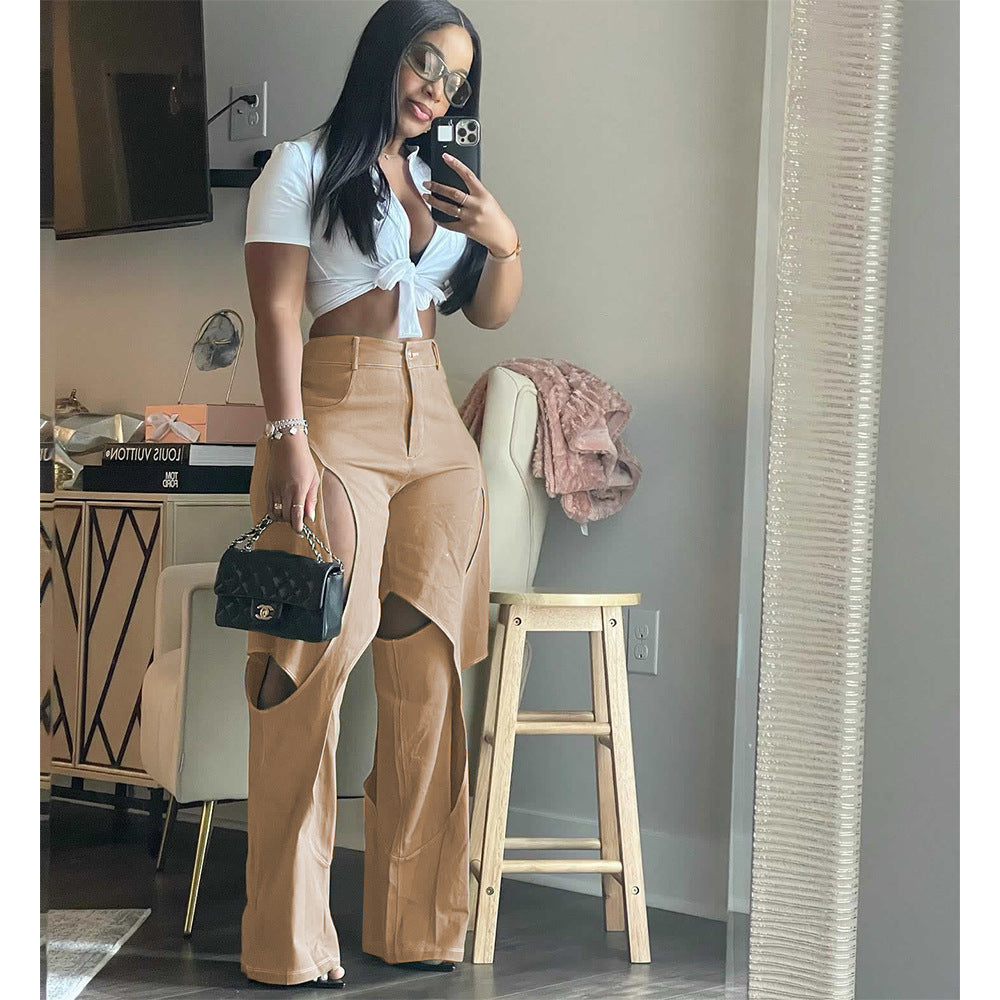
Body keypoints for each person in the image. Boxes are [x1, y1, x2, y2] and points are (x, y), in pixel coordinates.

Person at [239, 0, 522, 988]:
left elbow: (487, 312)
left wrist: (504, 238)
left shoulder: (446, 183)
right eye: (425, 63)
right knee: (311, 662)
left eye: (455, 81)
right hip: (334, 414)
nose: (436, 90)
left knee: (428, 674)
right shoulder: (300, 166)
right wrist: (289, 439)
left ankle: (415, 924)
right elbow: (277, 313)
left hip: (437, 425)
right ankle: (287, 940)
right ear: (384, 55)